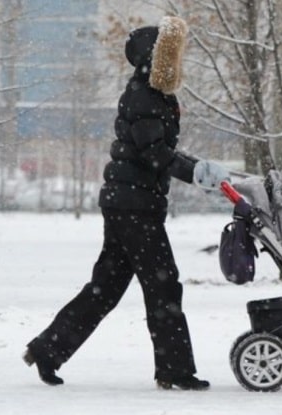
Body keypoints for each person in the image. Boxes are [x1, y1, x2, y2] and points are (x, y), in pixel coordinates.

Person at [22, 16, 230, 390]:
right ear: (157, 57)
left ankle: (47, 349)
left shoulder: (153, 94)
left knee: (106, 287)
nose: (178, 62)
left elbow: (161, 150)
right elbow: (155, 152)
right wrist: (197, 173)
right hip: (134, 208)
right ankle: (174, 370)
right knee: (164, 285)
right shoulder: (145, 95)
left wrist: (198, 167)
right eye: (172, 54)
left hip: (129, 203)